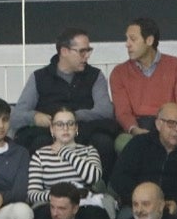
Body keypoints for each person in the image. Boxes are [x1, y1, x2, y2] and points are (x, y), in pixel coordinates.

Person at [11, 28, 117, 163]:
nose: (87, 56)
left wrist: (71, 118)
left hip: (84, 131)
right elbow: (16, 115)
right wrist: (35, 117)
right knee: (39, 143)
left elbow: (105, 110)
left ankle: (98, 184)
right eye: (82, 51)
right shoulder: (39, 77)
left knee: (103, 142)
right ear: (64, 51)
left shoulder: (95, 76)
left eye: (88, 50)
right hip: (47, 133)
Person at [110, 103, 177, 219]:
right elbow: (119, 178)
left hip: (175, 205)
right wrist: (142, 200)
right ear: (158, 124)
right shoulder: (139, 144)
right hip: (139, 202)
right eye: (171, 123)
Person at [110, 18, 177, 137]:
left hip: (172, 125)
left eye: (133, 39)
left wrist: (169, 128)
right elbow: (123, 113)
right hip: (138, 127)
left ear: (149, 40)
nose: (127, 44)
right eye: (127, 39)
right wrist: (135, 130)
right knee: (124, 141)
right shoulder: (118, 73)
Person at [25, 107, 105, 210]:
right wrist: (61, 197)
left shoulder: (89, 151)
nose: (65, 128)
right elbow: (32, 194)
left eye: (70, 123)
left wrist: (65, 152)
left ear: (76, 128)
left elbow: (92, 178)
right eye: (59, 124)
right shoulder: (40, 155)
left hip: (83, 205)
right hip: (51, 206)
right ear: (52, 129)